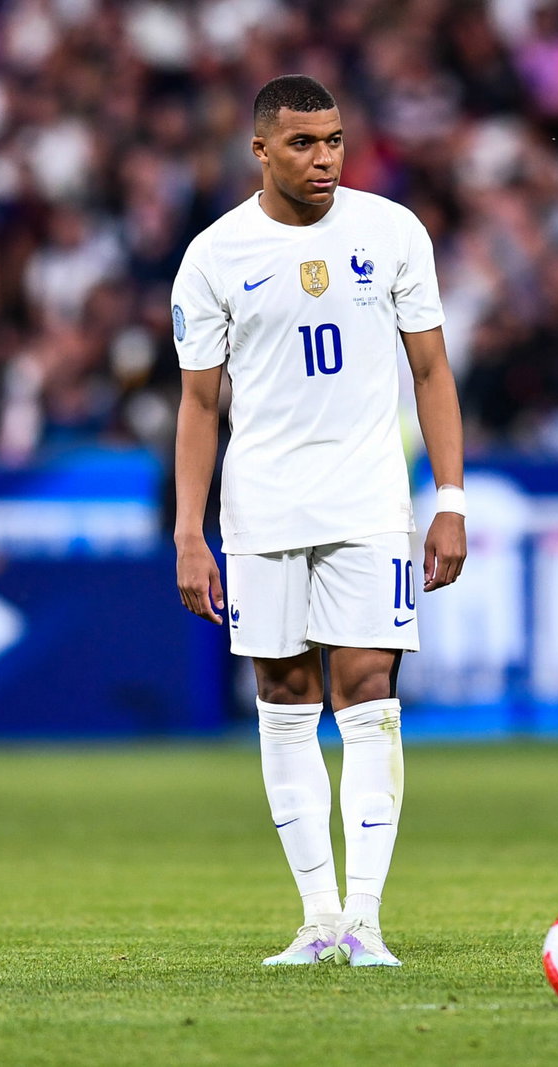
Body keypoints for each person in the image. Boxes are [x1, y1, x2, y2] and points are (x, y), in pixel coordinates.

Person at [171, 76, 466, 968]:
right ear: (261, 150)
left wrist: (450, 499)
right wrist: (189, 530)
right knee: (287, 697)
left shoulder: (393, 231)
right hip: (262, 506)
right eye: (303, 143)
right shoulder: (215, 254)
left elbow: (432, 373)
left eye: (334, 139)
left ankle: (365, 920)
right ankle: (318, 917)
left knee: (369, 687)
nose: (325, 157)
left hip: (370, 499)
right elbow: (198, 404)